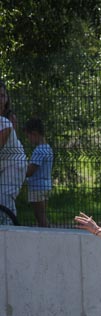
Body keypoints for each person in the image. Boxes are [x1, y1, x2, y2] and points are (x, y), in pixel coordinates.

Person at [0, 81, 27, 225]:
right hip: (2, 162)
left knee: (3, 197)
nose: (1, 100)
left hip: (14, 163)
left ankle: (12, 230)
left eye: (3, 96)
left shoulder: (7, 121)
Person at [24, 117, 53, 227]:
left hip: (37, 187)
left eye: (28, 136)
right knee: (42, 215)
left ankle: (47, 236)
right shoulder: (47, 148)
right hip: (46, 185)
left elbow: (30, 171)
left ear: (34, 133)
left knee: (40, 216)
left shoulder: (39, 150)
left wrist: (19, 171)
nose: (28, 139)